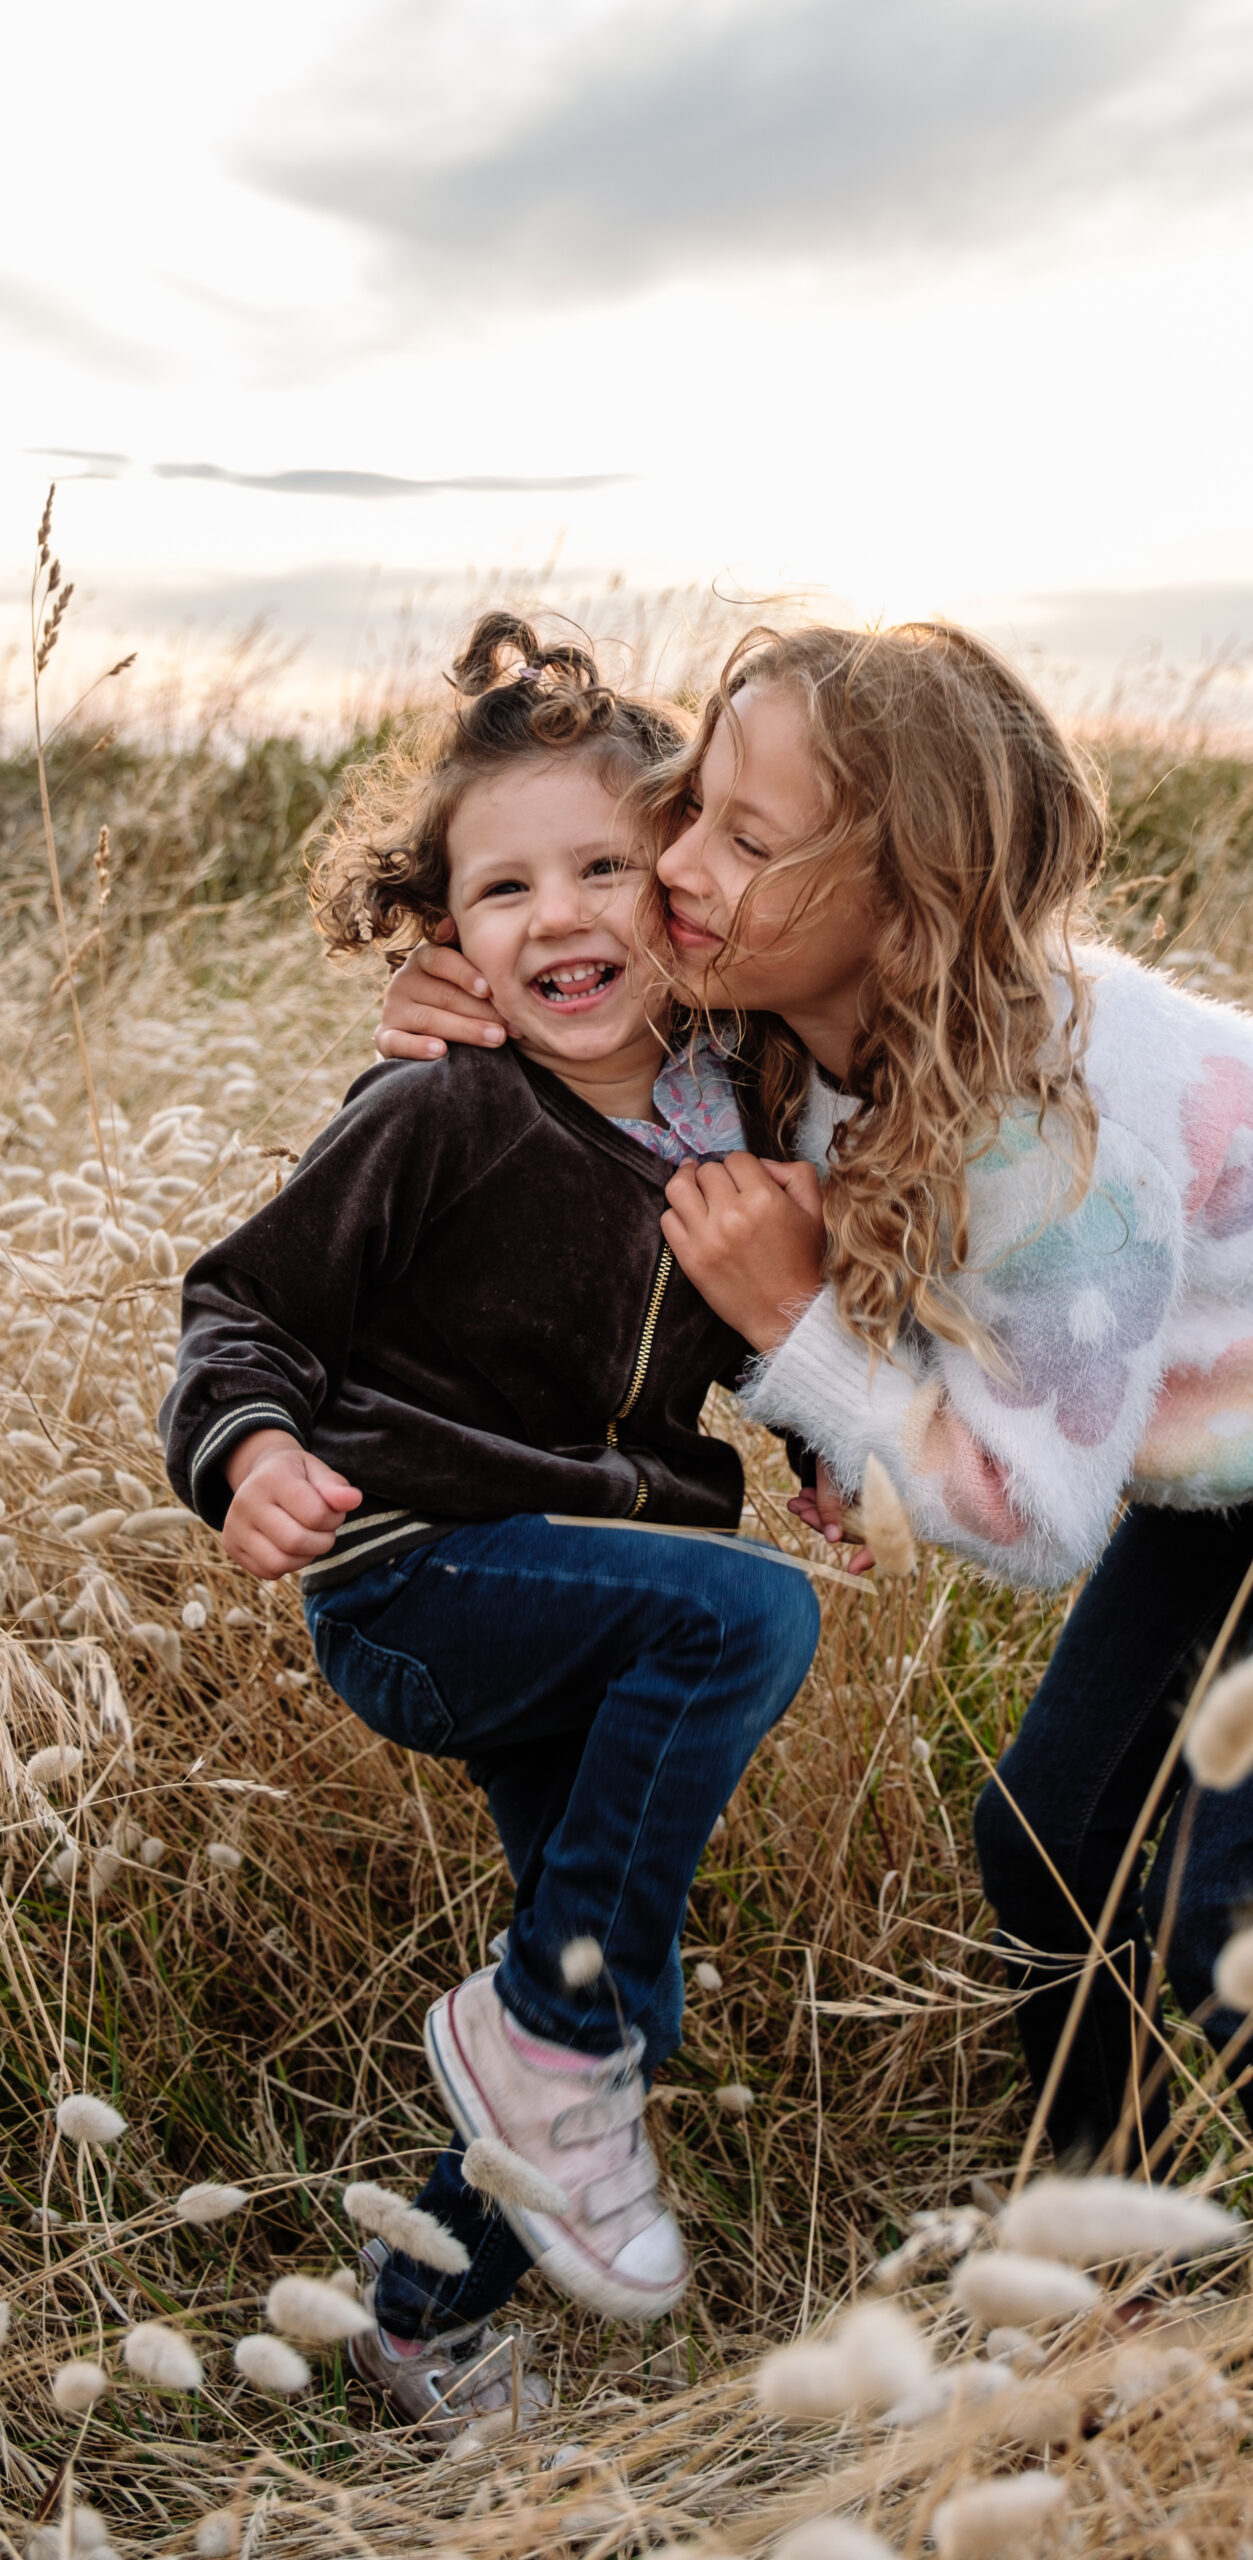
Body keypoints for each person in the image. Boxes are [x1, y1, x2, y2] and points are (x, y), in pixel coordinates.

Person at [376, 620, 1253, 2250]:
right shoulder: (779, 1019)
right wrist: (458, 1007)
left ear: (899, 900)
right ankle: (1098, 2244)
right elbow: (597, 1061)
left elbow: (1032, 1524)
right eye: (690, 809)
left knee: (1233, 1900)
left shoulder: (1047, 1135)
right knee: (1048, 1841)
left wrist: (802, 1333)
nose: (678, 863)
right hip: (1228, 1423)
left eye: (747, 836)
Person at [162, 615, 820, 2436]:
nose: (560, 914)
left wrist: (823, 1441)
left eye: (606, 864)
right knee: (745, 1621)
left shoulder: (719, 1136)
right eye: (503, 886)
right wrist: (245, 1450)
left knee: (616, 1993)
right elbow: (246, 1305)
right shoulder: (442, 1105)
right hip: (420, 1568)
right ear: (445, 935)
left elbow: (727, 1351)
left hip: (586, 1589)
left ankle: (422, 2325)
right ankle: (534, 2050)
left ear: (683, 895)